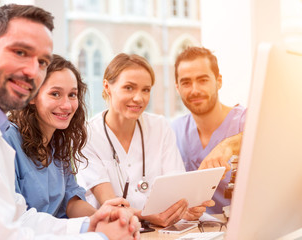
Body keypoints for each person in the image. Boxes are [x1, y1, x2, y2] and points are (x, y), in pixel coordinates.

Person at [0, 4, 140, 239]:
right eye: (20, 52)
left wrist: (91, 224)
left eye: (43, 61)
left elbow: (21, 217)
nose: (32, 71)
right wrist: (102, 236)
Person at [77, 53, 214, 227]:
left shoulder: (160, 128)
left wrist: (184, 208)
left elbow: (176, 191)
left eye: (146, 90)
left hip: (161, 232)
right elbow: (110, 205)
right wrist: (147, 215)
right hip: (113, 232)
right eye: (129, 88)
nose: (139, 98)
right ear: (107, 87)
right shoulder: (87, 135)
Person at [3, 54, 97, 219]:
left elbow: (71, 200)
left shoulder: (58, 140)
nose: (67, 105)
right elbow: (14, 217)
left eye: (72, 95)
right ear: (31, 96)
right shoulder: (8, 140)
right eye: (55, 94)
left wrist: (103, 218)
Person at [172, 46, 246, 214]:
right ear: (177, 88)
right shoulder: (174, 131)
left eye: (203, 80)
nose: (195, 90)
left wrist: (227, 145)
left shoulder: (244, 120)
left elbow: (268, 136)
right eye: (186, 82)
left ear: (218, 81)